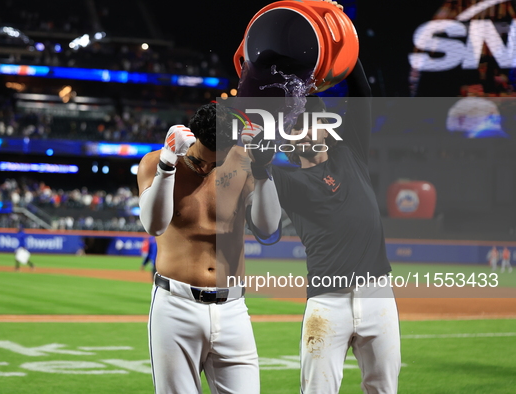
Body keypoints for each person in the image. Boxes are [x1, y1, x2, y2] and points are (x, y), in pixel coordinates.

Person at [244, 59, 401, 393]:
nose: (304, 132)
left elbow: (363, 92)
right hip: (326, 301)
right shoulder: (283, 179)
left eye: (310, 124)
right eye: (295, 128)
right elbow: (265, 228)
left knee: (384, 388)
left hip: (378, 294)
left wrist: (346, 46)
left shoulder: (351, 151)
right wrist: (261, 170)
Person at [137, 102, 281, 393]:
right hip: (175, 306)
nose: (205, 168)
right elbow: (154, 226)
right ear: (194, 138)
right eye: (201, 159)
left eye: (215, 163)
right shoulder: (156, 162)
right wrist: (168, 165)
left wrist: (264, 170)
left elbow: (268, 228)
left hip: (233, 308)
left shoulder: (243, 162)